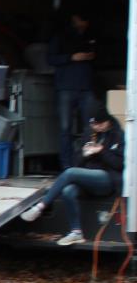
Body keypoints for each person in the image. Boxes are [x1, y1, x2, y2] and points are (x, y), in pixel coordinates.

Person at [20, 103, 124, 246]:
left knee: (70, 172)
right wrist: (84, 154)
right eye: (93, 124)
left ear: (107, 121)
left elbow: (119, 164)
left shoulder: (118, 135)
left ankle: (40, 206)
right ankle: (76, 231)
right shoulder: (90, 133)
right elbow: (76, 161)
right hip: (87, 178)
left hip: (107, 179)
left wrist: (101, 151)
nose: (96, 127)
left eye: (99, 124)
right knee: (68, 191)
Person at [48, 12, 97, 170]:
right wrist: (71, 57)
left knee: (91, 127)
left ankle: (88, 163)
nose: (82, 24)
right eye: (80, 20)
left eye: (84, 21)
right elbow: (50, 59)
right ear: (74, 20)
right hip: (65, 87)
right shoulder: (60, 36)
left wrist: (91, 56)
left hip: (86, 87)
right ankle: (66, 165)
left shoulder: (90, 36)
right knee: (65, 129)